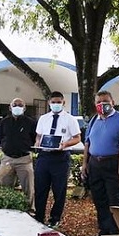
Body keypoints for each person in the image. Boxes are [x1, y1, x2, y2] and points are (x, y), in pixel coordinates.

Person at [82, 90, 119, 236]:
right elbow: (87, 143)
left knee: (115, 200)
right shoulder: (94, 120)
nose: (102, 104)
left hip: (113, 163)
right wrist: (84, 164)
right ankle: (104, 232)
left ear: (113, 102)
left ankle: (116, 235)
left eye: (105, 101)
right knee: (99, 199)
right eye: (99, 102)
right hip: (95, 164)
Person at [33, 91, 81, 228]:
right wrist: (37, 143)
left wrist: (66, 144)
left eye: (58, 102)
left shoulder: (70, 119)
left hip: (60, 157)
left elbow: (77, 137)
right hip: (44, 156)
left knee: (59, 190)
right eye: (53, 102)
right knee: (40, 188)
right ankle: (39, 216)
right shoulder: (43, 118)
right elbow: (38, 136)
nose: (55, 104)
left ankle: (55, 218)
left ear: (63, 102)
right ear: (49, 103)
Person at [0, 98, 37, 211]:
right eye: (15, 105)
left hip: (24, 159)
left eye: (20, 105)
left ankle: (30, 210)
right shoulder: (4, 122)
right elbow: (1, 137)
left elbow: (34, 138)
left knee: (28, 188)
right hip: (7, 159)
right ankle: (6, 209)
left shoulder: (31, 122)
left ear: (24, 108)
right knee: (4, 186)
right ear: (10, 107)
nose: (17, 107)